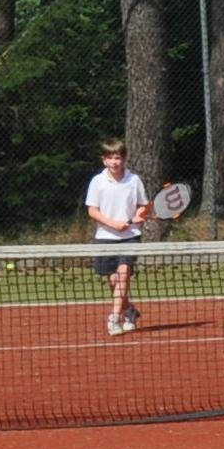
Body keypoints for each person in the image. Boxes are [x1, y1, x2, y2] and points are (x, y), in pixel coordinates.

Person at [84, 135, 150, 334]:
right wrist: (113, 224)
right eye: (110, 158)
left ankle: (114, 318)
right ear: (104, 160)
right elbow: (92, 210)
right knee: (113, 281)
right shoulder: (97, 181)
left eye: (118, 157)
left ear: (125, 159)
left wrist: (139, 215)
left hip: (130, 236)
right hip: (104, 236)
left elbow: (143, 206)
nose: (115, 162)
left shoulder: (134, 180)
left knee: (123, 273)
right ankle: (129, 310)